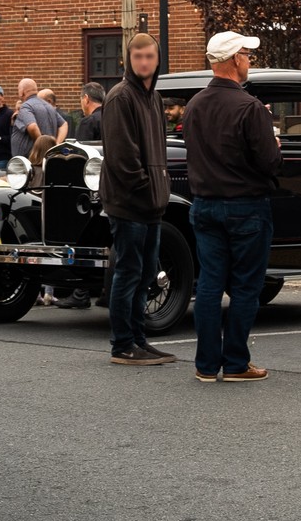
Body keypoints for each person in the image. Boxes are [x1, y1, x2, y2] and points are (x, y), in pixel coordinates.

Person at [182, 31, 280, 383]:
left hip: (205, 204)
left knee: (209, 284)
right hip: (246, 206)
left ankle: (206, 364)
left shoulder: (194, 104)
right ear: (235, 59)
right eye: (247, 56)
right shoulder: (249, 107)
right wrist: (274, 139)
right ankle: (236, 361)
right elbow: (269, 163)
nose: (249, 61)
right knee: (245, 287)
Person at [101, 33, 176, 366]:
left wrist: (160, 190)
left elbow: (157, 150)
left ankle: (139, 341)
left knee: (146, 275)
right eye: (138, 57)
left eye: (149, 56)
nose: (144, 62)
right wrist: (148, 189)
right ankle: (122, 345)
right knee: (129, 273)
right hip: (129, 204)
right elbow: (122, 157)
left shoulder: (154, 98)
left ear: (157, 59)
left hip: (151, 204)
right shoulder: (120, 97)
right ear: (128, 60)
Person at [13, 78, 68, 158]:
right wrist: (56, 145)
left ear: (21, 92)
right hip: (47, 158)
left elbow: (32, 127)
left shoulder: (26, 106)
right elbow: (64, 125)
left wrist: (42, 147)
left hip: (30, 161)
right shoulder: (48, 106)